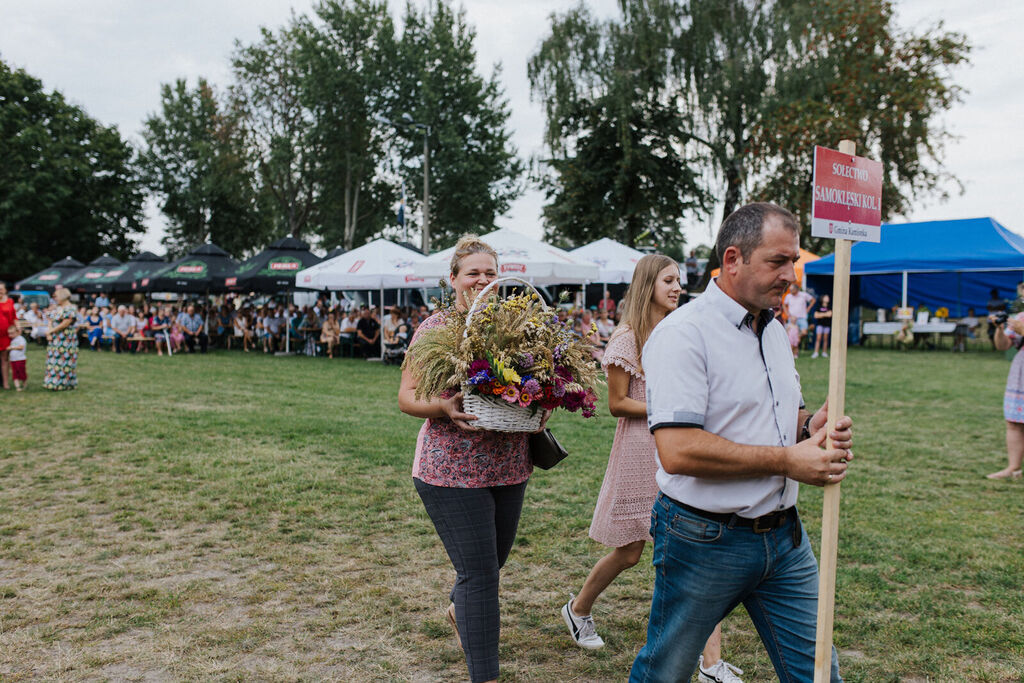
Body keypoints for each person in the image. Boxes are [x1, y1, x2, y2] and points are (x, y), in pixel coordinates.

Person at [629, 202, 854, 682]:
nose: (790, 275)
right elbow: (678, 449)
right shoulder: (682, 335)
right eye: (777, 261)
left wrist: (809, 426)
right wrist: (788, 461)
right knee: (665, 671)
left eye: (792, 261)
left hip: (786, 540)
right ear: (733, 259)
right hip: (705, 538)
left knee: (818, 674)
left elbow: (770, 418)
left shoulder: (771, 329)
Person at [561, 255, 744, 680]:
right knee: (629, 551)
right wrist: (668, 407)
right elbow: (616, 404)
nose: (678, 287)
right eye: (669, 280)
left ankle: (711, 663)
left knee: (694, 551)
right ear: (648, 285)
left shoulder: (683, 331)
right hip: (639, 452)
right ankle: (577, 609)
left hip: (679, 448)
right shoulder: (627, 338)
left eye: (679, 280)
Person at [398, 235, 548, 683]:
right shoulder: (436, 329)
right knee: (482, 576)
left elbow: (537, 387)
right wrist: (443, 407)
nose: (483, 280)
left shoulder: (520, 330)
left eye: (490, 273)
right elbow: (406, 398)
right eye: (473, 273)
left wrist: (539, 405)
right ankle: (486, 675)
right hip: (449, 472)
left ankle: (458, 609)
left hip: (510, 466)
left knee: (489, 564)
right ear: (453, 280)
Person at [987, 310, 1024, 479]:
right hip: (1020, 374)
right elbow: (1002, 346)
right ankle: (1013, 468)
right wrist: (1000, 329)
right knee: (1014, 422)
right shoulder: (1021, 317)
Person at [43, 287, 79, 391]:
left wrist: (51, 331)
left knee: (65, 361)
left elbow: (66, 323)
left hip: (66, 338)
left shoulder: (70, 308)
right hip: (55, 337)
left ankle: (64, 384)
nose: (55, 298)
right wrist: (49, 331)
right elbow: (50, 319)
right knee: (54, 360)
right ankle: (53, 383)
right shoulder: (58, 308)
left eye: (56, 296)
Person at [783, 282, 815, 352]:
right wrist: (787, 313)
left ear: (797, 289)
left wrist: (808, 309)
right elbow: (784, 305)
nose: (790, 291)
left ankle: (796, 339)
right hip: (792, 319)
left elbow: (813, 300)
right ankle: (793, 350)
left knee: (804, 332)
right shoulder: (788, 296)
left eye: (792, 290)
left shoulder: (803, 295)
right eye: (790, 290)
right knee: (790, 335)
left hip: (802, 317)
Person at [0, 283, 16, 389]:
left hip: (6, 335)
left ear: (5, 290)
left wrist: (17, 328)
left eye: (1, 289)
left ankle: (5, 383)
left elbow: (14, 317)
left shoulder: (10, 302)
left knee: (5, 359)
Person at [812, 294, 833, 358]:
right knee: (818, 338)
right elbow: (816, 315)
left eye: (828, 297)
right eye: (826, 297)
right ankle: (816, 352)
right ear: (822, 299)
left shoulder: (830, 306)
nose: (827, 298)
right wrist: (825, 314)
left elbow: (830, 314)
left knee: (825, 339)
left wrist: (820, 314)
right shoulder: (818, 306)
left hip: (827, 325)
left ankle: (824, 352)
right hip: (819, 325)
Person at [8, 325, 27, 391]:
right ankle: (17, 386)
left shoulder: (21, 339)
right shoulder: (12, 340)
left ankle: (24, 383)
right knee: (15, 372)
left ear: (18, 332)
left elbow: (21, 347)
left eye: (12, 333)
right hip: (13, 360)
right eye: (9, 333)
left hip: (20, 359)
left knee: (21, 372)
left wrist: (12, 348)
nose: (10, 335)